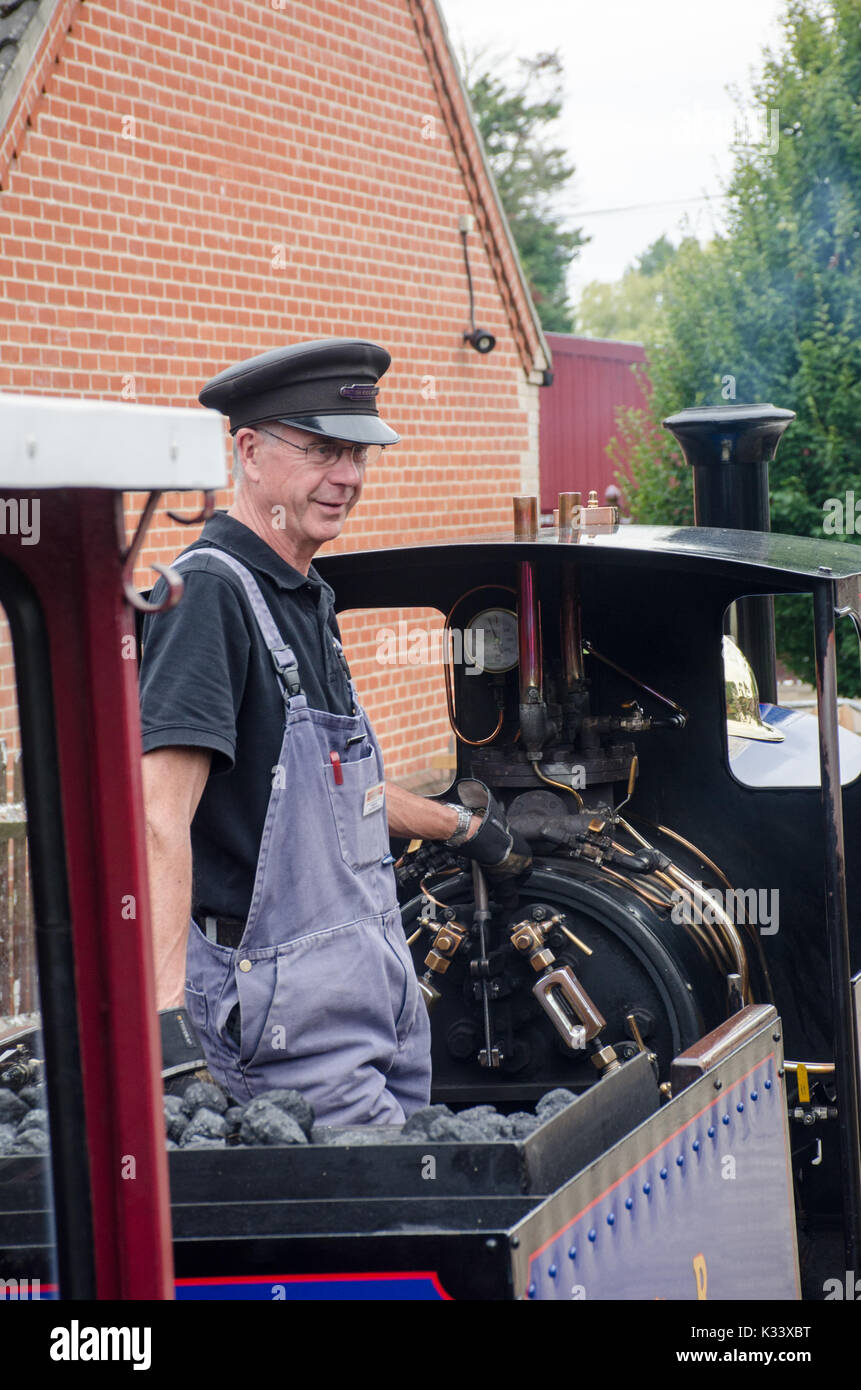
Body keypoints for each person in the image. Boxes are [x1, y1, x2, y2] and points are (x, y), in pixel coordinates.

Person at [139, 338, 529, 1126]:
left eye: (357, 454)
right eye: (321, 449)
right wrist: (167, 1028)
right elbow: (156, 821)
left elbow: (338, 793)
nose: (347, 477)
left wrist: (463, 825)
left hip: (374, 990)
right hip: (281, 1019)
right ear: (248, 451)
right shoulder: (210, 596)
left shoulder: (307, 595)